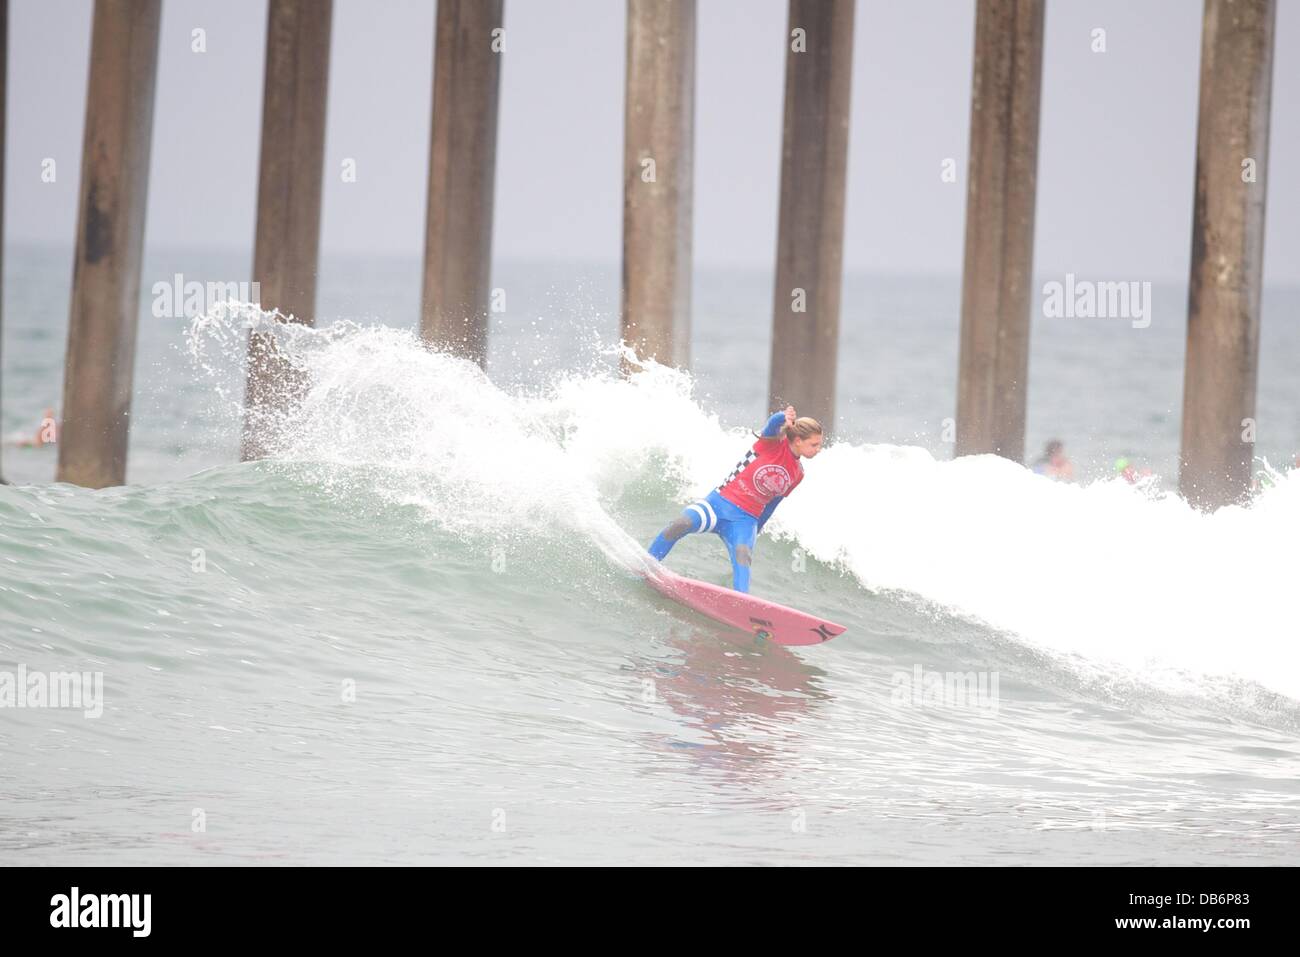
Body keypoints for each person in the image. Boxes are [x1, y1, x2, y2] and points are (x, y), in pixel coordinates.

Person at [647, 405, 823, 593]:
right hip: (719, 504)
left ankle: (741, 603)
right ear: (797, 440)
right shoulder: (770, 444)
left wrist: (757, 528)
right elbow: (773, 424)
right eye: (814, 444)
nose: (819, 449)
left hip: (745, 520)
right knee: (681, 523)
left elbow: (772, 504)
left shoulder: (798, 473)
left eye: (819, 444)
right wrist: (783, 416)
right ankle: (647, 565)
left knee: (743, 554)